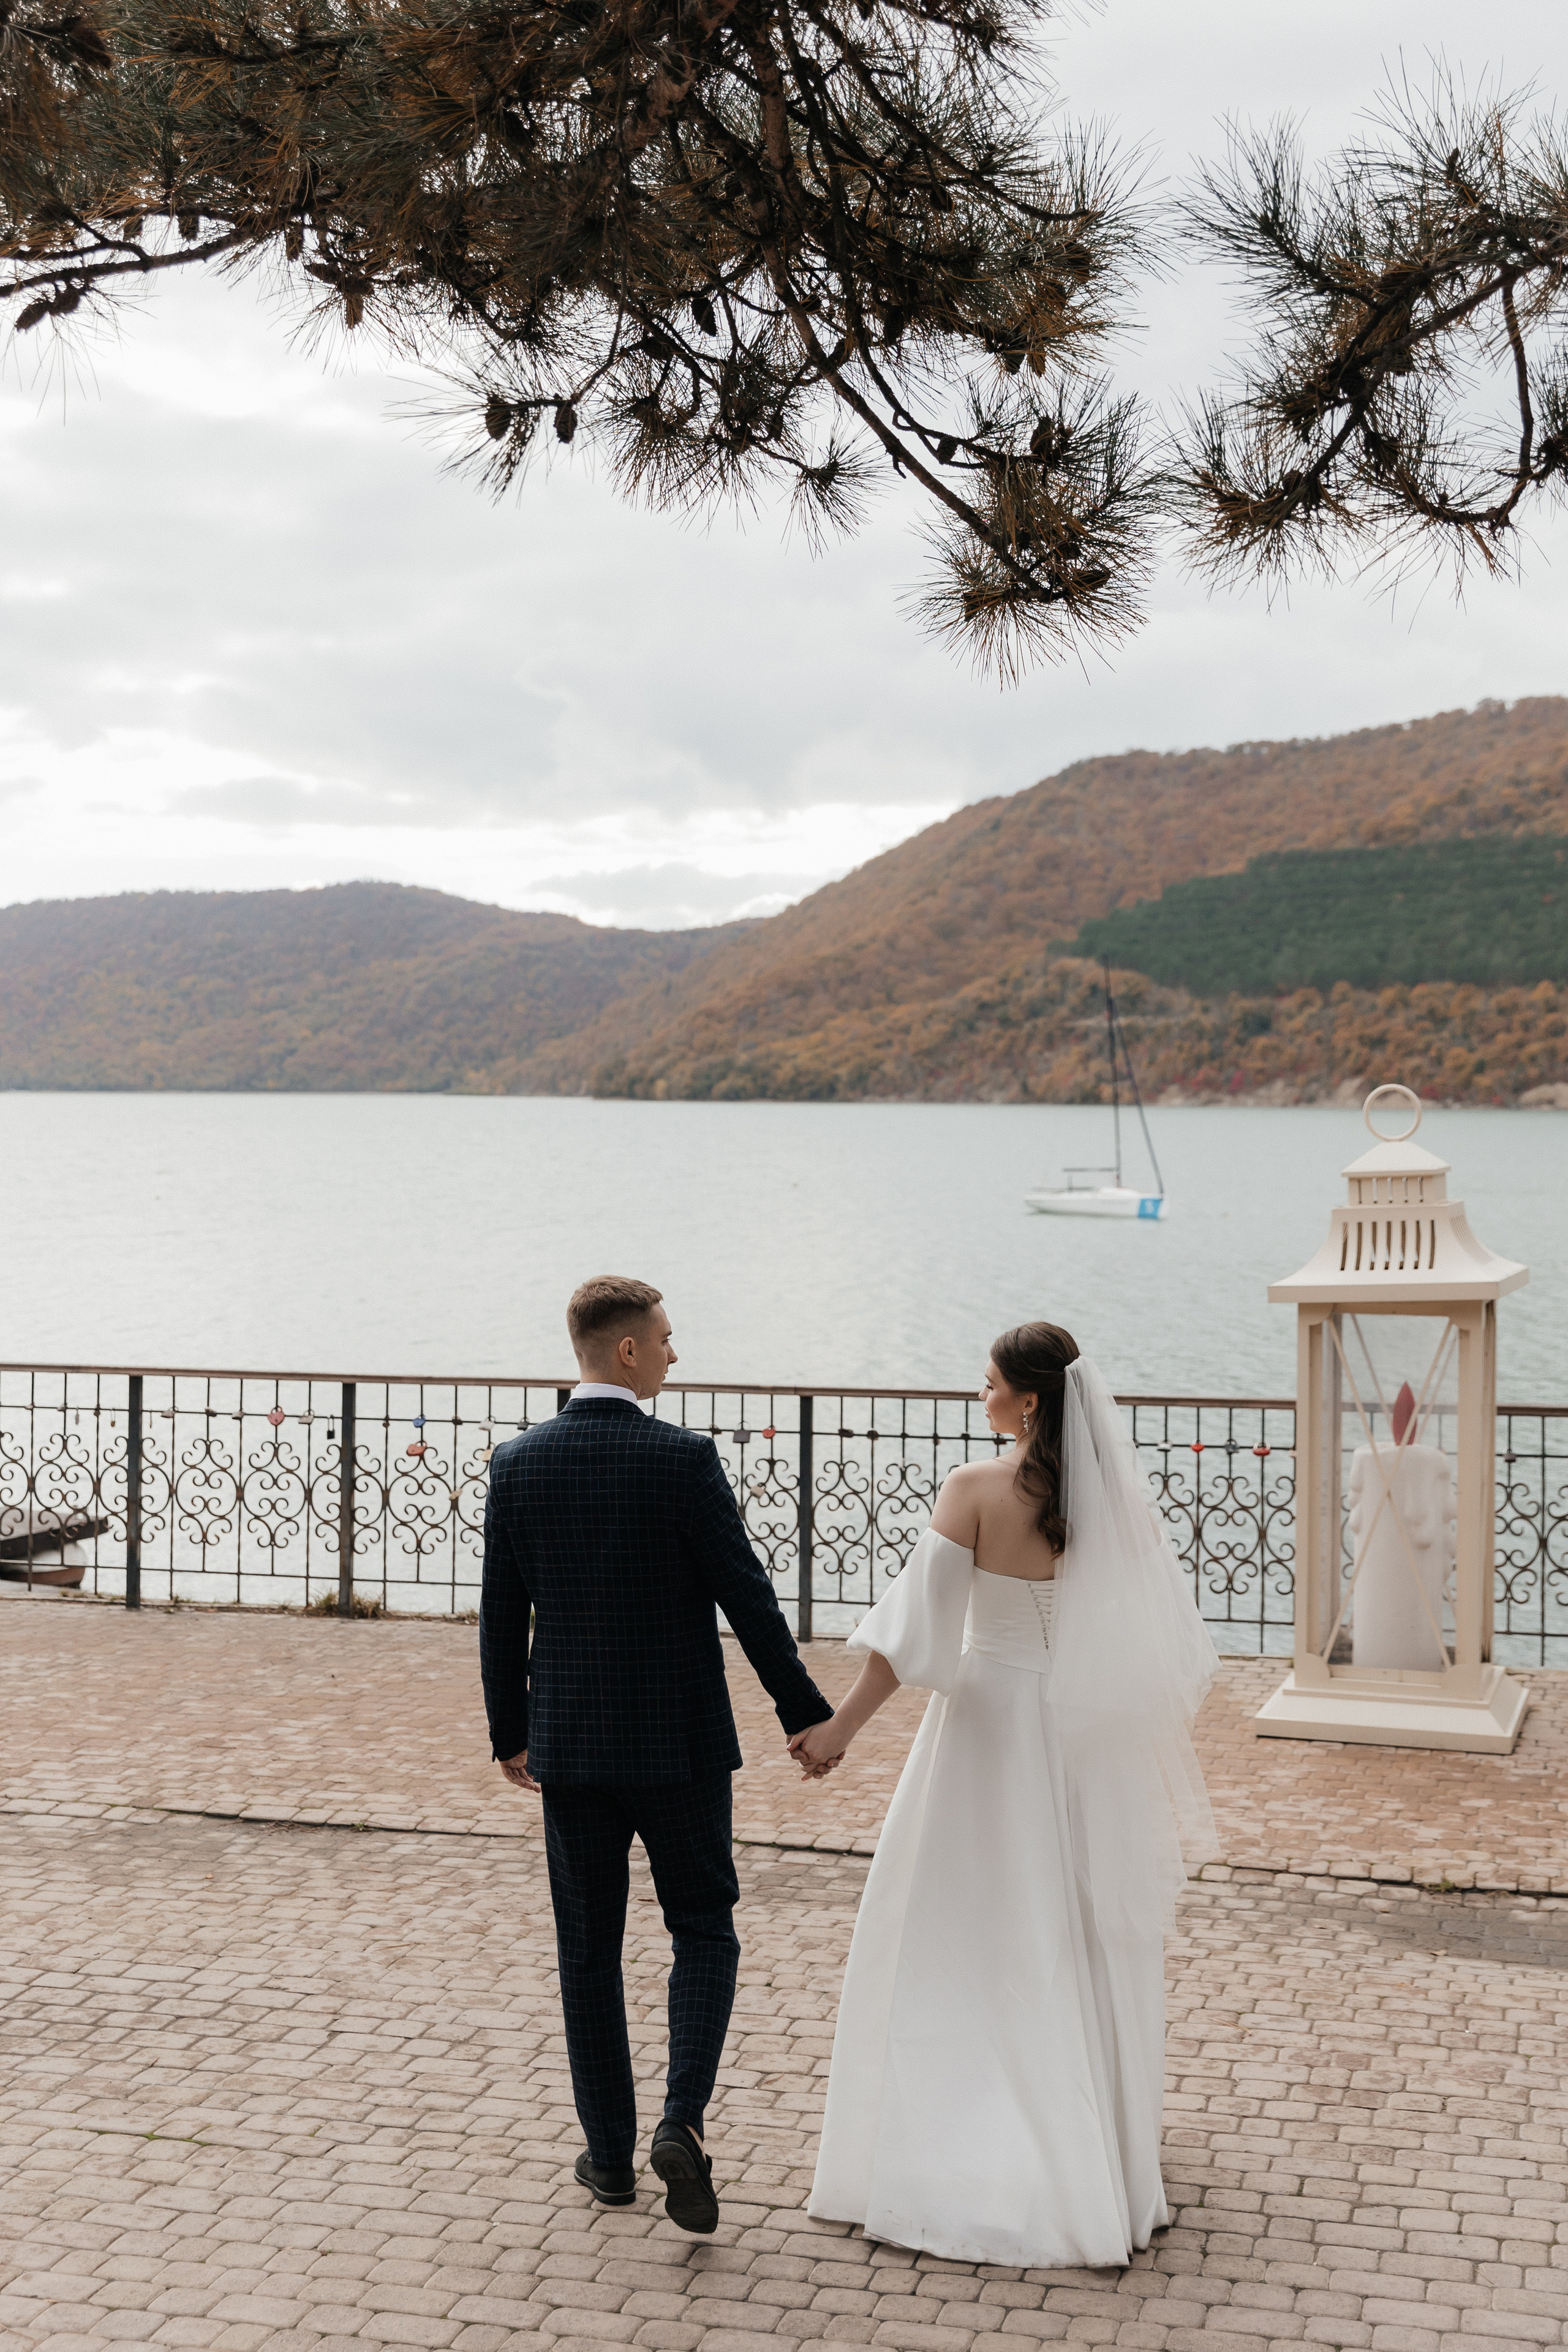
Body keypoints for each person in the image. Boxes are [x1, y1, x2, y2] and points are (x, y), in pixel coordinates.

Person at [793, 1321, 1219, 2269]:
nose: (977, 1397)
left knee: (964, 1932)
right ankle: (1096, 2156)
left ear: (1028, 1399)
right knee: (1074, 1933)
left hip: (987, 1734)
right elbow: (1166, 1646)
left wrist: (837, 1732)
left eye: (987, 1384)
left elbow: (913, 1639)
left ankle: (966, 2150)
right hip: (1079, 1742)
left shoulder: (975, 1491)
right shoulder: (1116, 1506)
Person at [480, 1275, 835, 2234]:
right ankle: (681, 2122)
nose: (676, 1353)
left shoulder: (517, 1465)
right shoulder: (682, 1460)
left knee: (588, 1955)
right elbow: (747, 1596)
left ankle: (608, 2160)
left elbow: (502, 1617)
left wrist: (509, 1731)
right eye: (667, 1339)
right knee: (705, 1929)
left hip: (572, 1751)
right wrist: (802, 1713)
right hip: (680, 1748)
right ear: (627, 1351)